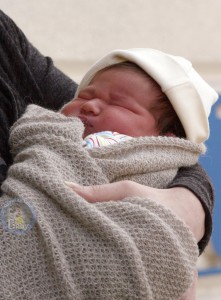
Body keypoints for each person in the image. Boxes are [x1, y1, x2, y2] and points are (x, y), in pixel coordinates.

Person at [0, 9, 216, 299]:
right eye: (84, 97)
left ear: (166, 139)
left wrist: (190, 203)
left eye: (121, 106)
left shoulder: (7, 46)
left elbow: (181, 159)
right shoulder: (53, 133)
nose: (89, 105)